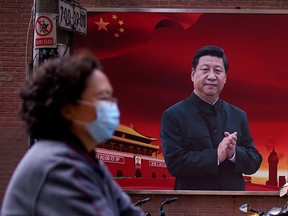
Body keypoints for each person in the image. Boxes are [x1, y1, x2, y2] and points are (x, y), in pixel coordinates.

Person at [1, 52, 145, 216]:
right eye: (103, 98)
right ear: (68, 110)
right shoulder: (60, 167)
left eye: (111, 98)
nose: (111, 106)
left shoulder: (86, 160)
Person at [160, 45, 263, 191]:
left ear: (225, 78)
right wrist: (216, 156)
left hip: (234, 207)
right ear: (193, 74)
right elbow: (175, 163)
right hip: (191, 207)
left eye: (218, 71)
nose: (212, 76)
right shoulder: (173, 115)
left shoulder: (238, 115)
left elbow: (254, 161)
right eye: (205, 69)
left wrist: (233, 153)